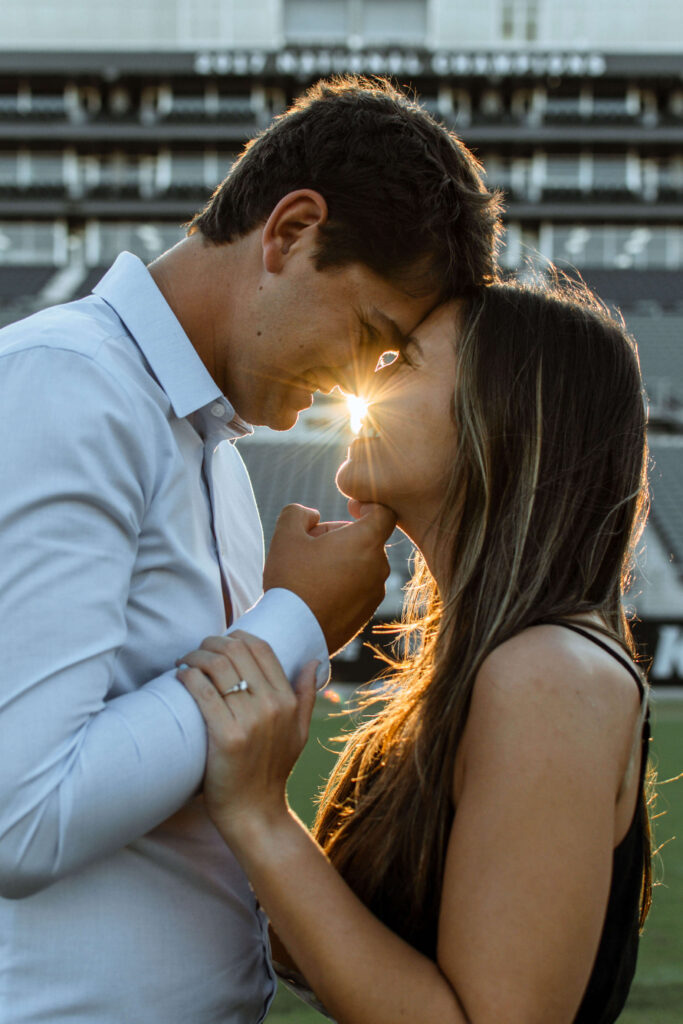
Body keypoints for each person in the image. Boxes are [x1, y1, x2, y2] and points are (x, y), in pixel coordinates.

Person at [0, 77, 501, 1023]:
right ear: (289, 232)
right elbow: (20, 820)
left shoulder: (214, 451)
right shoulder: (70, 387)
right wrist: (298, 619)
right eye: (368, 336)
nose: (362, 382)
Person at [178, 278, 653, 1024]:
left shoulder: (545, 674)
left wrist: (261, 816)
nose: (367, 381)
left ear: (503, 415)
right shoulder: (490, 664)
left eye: (405, 361)